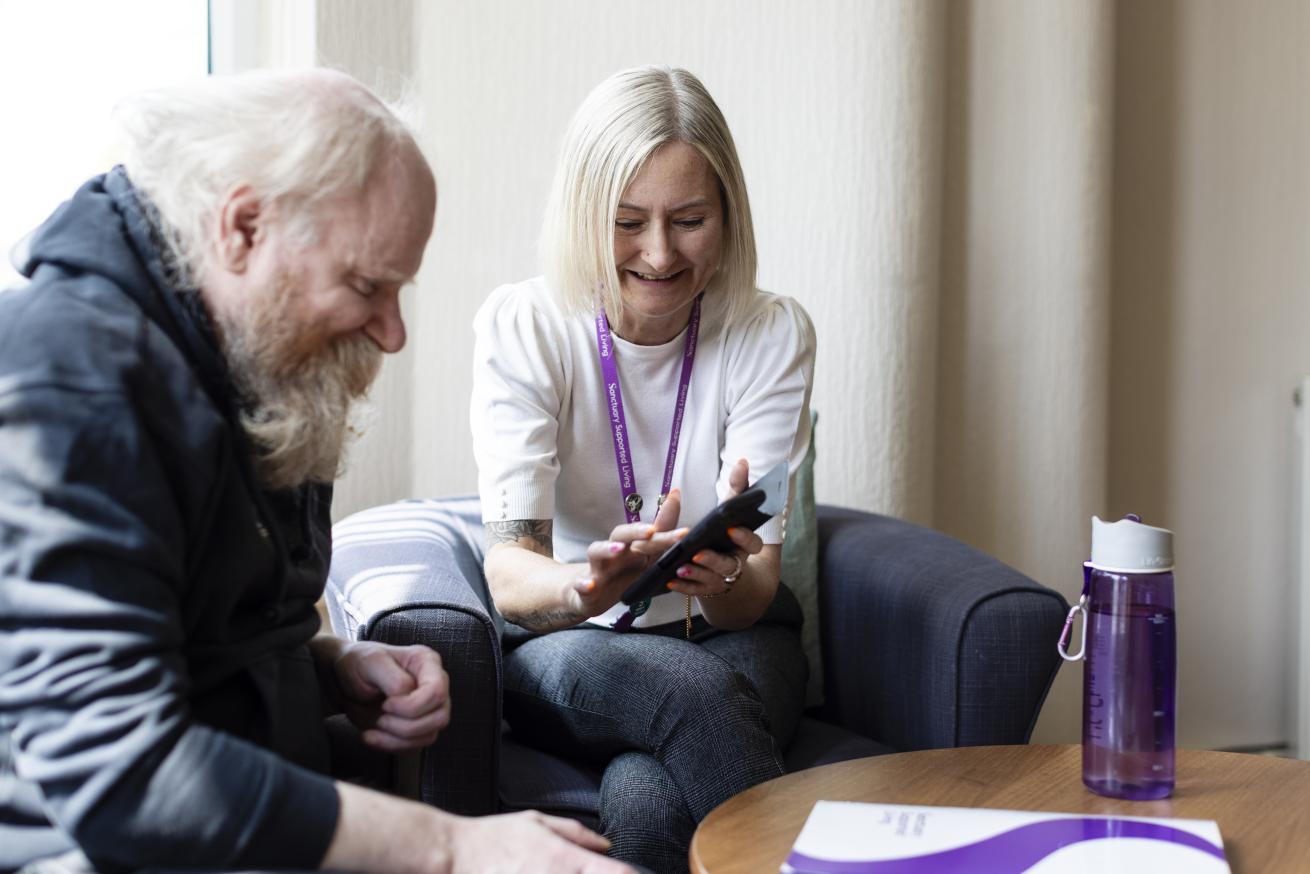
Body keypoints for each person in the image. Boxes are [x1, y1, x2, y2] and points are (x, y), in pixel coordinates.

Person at [0, 69, 630, 874]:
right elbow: (118, 773)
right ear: (243, 228)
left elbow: (215, 632)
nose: (393, 332)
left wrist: (334, 669)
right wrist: (448, 846)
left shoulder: (258, 366)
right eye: (367, 285)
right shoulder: (72, 378)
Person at [470, 66, 816, 873]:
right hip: (571, 640)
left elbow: (758, 586)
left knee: (645, 798)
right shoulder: (526, 325)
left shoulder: (770, 332)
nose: (659, 255)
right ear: (584, 215)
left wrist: (725, 576)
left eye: (689, 220)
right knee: (690, 697)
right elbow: (507, 567)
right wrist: (580, 588)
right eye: (627, 222)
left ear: (727, 215)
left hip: (738, 636)